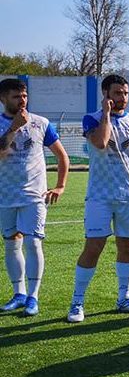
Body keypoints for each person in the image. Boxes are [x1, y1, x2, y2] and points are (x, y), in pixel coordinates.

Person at [67, 75, 129, 323]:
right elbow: (100, 142)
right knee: (94, 245)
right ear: (105, 94)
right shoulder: (92, 119)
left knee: (127, 246)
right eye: (117, 93)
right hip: (100, 196)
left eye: (125, 93)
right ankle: (77, 302)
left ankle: (124, 298)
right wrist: (107, 114)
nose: (122, 98)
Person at [0, 78, 69, 317]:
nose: (22, 101)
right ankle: (18, 294)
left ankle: (33, 297)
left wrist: (60, 185)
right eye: (16, 97)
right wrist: (14, 128)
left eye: (24, 96)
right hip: (5, 195)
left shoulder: (41, 123)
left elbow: (62, 156)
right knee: (11, 242)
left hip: (34, 194)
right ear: (3, 99)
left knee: (33, 242)